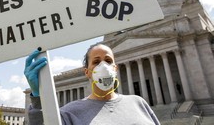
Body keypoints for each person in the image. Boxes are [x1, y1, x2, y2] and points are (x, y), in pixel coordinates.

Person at [24, 44, 160, 125]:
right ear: (87, 72)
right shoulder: (70, 113)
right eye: (96, 62)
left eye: (108, 60)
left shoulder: (138, 103)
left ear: (115, 68)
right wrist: (38, 97)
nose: (103, 66)